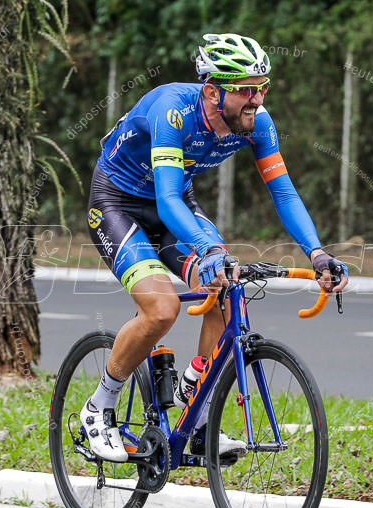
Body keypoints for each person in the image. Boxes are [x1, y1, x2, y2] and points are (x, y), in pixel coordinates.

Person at [82, 33, 349, 462]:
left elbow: (284, 194)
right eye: (245, 88)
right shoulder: (174, 110)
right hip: (119, 203)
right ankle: (98, 408)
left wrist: (317, 254)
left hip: (175, 206)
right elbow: (166, 199)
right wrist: (207, 248)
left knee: (227, 285)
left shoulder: (257, 122)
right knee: (162, 308)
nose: (257, 99)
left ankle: (198, 405)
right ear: (212, 90)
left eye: (263, 86)